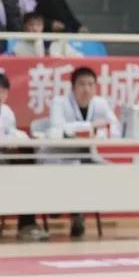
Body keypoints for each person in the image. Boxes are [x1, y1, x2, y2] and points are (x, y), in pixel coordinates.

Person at [0, 72, 49, 241]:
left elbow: (15, 134)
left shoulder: (7, 112)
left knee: (27, 164)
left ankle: (26, 225)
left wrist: (12, 139)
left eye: (3, 92)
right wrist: (4, 138)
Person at [47, 66, 123, 237]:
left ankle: (76, 213)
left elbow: (115, 128)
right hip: (59, 156)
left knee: (108, 171)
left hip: (86, 155)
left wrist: (99, 131)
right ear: (73, 87)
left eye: (90, 84)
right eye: (82, 84)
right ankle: (63, 206)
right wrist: (90, 126)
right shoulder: (60, 102)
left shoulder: (100, 103)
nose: (86, 89)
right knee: (76, 172)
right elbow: (57, 128)